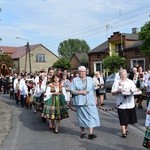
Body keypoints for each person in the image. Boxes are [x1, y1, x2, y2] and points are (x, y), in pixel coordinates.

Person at [70, 66, 100, 139]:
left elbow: (93, 90)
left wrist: (95, 98)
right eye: (81, 71)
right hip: (80, 101)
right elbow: (72, 91)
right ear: (78, 72)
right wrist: (80, 92)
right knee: (81, 116)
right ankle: (82, 132)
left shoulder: (90, 79)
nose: (83, 73)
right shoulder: (75, 80)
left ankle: (91, 133)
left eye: (84, 71)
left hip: (90, 100)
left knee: (91, 116)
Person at [111, 69, 139, 138]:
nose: (123, 75)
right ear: (119, 75)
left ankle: (126, 129)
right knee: (123, 118)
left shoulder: (130, 82)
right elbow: (112, 92)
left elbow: (135, 89)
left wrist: (134, 91)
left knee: (128, 118)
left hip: (130, 103)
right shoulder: (116, 82)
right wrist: (118, 91)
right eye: (121, 74)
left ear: (127, 75)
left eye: (124, 74)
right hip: (121, 104)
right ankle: (123, 131)